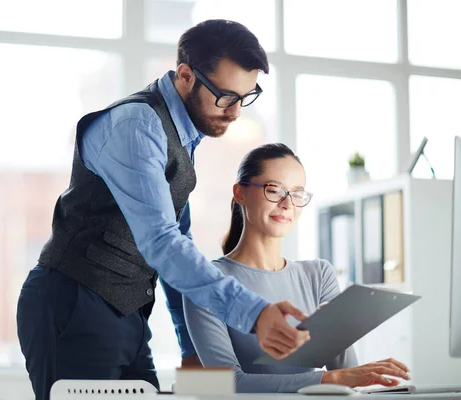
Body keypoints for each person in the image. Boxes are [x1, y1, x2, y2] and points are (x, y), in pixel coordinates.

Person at [16, 20, 310, 400]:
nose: (236, 112)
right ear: (185, 75)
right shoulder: (138, 126)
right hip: (73, 304)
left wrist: (191, 351)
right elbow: (162, 242)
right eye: (225, 96)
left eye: (246, 96)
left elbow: (178, 243)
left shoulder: (183, 135)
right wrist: (254, 314)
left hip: (128, 315)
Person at [183, 143, 412, 392]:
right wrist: (328, 380)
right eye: (274, 190)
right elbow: (231, 384)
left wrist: (336, 330)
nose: (287, 204)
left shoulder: (319, 275)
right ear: (240, 193)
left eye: (297, 194)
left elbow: (346, 376)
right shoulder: (207, 283)